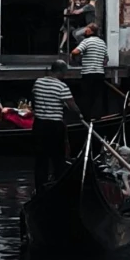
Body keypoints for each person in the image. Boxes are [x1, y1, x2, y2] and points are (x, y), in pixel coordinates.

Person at [30, 61, 77, 191]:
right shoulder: (62, 87)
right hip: (54, 126)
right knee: (58, 159)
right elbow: (72, 106)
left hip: (39, 125)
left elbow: (34, 100)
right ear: (61, 71)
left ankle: (40, 188)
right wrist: (80, 114)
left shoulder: (38, 82)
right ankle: (59, 187)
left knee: (41, 159)